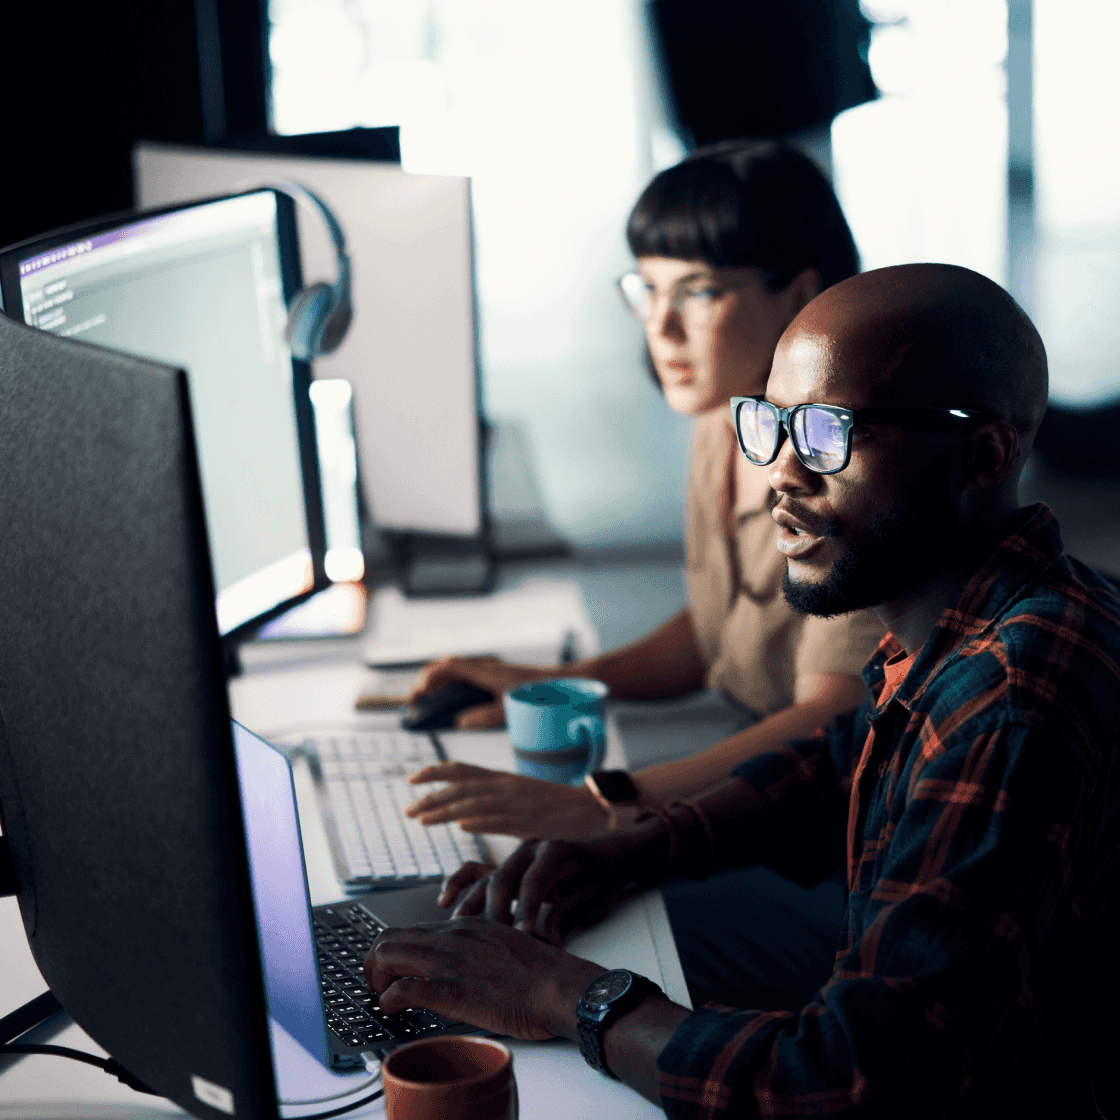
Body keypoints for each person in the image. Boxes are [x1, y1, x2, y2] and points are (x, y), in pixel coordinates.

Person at [363, 263, 1120, 1117]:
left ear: (982, 455)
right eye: (772, 425)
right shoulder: (971, 613)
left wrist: (564, 997)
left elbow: (843, 1084)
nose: (783, 475)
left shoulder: (1013, 701)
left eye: (832, 432)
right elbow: (840, 762)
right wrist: (635, 850)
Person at [403, 140, 884, 845]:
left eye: (696, 291)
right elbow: (719, 630)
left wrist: (609, 802)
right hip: (754, 781)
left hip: (838, 823)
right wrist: (555, 681)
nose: (661, 328)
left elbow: (830, 714)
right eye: (646, 289)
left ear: (801, 292)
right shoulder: (729, 417)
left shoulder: (844, 470)